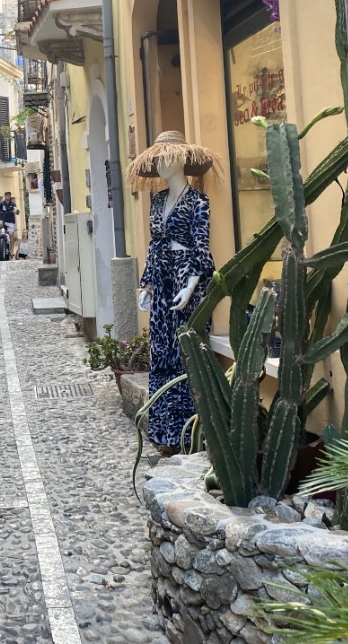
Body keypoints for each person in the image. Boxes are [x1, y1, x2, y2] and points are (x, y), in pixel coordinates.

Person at [128, 131, 218, 455]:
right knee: (162, 351)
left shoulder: (198, 201)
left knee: (185, 353)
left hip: (186, 275)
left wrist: (191, 285)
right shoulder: (157, 200)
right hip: (163, 276)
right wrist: (148, 284)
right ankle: (164, 432)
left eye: (165, 159)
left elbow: (201, 244)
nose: (161, 166)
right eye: (157, 161)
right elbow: (154, 245)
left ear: (180, 160)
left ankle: (190, 432)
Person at [0, 192, 19, 262]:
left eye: (9, 195)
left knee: (11, 234)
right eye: (7, 195)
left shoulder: (12, 204)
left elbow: (15, 208)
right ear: (5, 196)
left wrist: (16, 211)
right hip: (3, 221)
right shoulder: (1, 203)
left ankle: (12, 250)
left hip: (10, 222)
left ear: (10, 196)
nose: (8, 196)